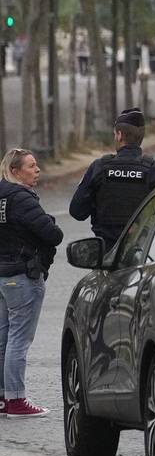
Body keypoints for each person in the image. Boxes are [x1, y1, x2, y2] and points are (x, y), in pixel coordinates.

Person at [0, 148, 63, 417]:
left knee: (3, 338)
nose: (37, 170)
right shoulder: (21, 198)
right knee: (18, 338)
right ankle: (16, 400)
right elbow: (53, 234)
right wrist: (50, 222)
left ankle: (3, 397)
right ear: (15, 171)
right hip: (22, 275)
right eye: (31, 166)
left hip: (3, 275)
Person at [69, 109, 155, 248]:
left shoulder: (99, 168)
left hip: (106, 252)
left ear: (119, 135)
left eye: (114, 134)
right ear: (141, 137)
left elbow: (77, 212)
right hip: (143, 252)